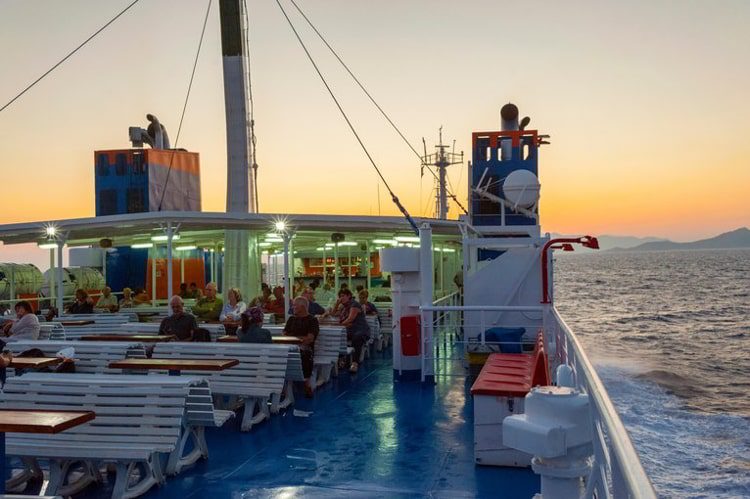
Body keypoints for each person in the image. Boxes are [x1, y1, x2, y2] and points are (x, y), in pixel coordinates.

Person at [283, 297, 319, 397]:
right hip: (289, 348)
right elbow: (284, 335)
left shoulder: (312, 320)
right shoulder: (291, 319)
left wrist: (295, 340)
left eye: (295, 305)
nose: (292, 307)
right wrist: (298, 340)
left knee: (304, 354)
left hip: (305, 350)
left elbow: (310, 339)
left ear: (302, 307)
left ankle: (306, 382)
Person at [338, 288, 370, 374]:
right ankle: (341, 358)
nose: (341, 298)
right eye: (340, 296)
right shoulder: (344, 307)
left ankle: (355, 363)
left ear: (349, 296)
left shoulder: (354, 304)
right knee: (338, 336)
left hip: (361, 329)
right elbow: (334, 314)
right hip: (349, 330)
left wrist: (339, 326)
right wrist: (336, 304)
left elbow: (350, 318)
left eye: (343, 296)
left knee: (357, 338)